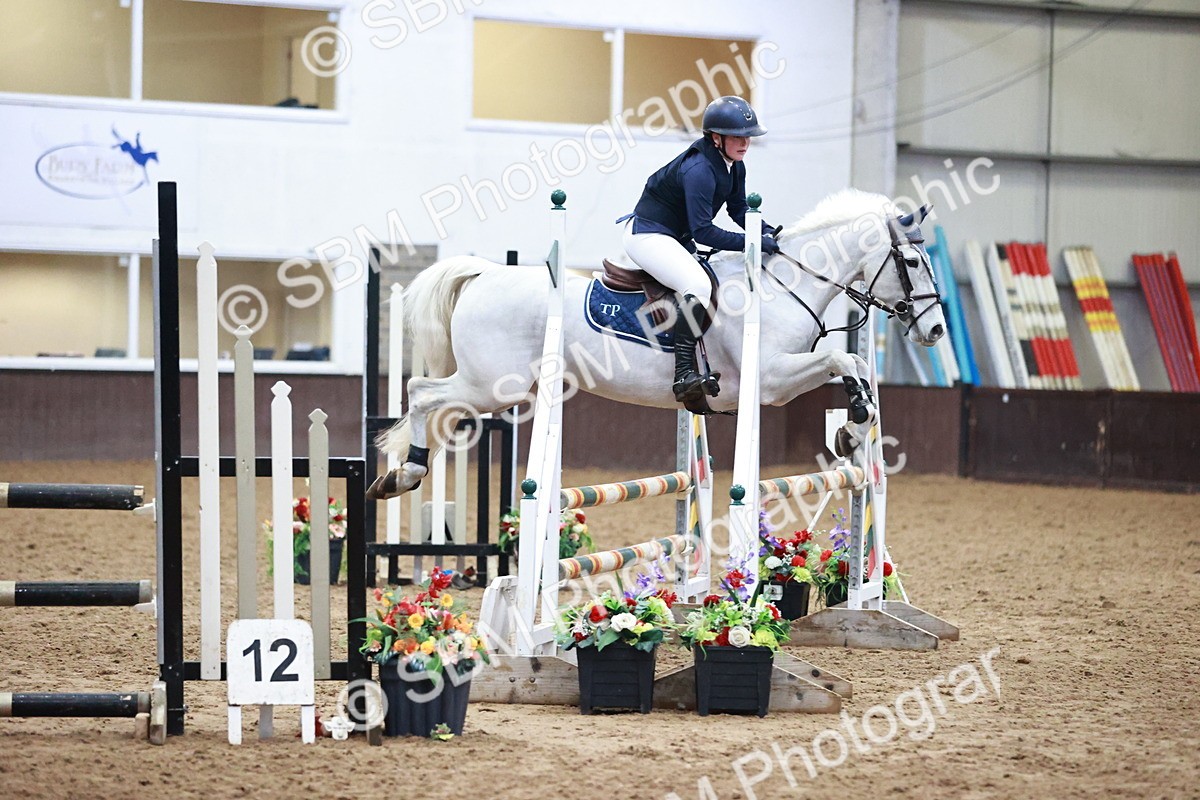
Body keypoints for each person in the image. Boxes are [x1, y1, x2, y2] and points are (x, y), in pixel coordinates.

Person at [618, 95, 780, 405]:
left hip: (674, 236)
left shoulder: (734, 165)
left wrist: (765, 230)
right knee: (698, 285)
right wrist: (752, 244)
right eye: (737, 137)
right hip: (648, 235)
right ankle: (682, 374)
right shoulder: (699, 170)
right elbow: (703, 232)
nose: (745, 143)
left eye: (748, 137)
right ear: (715, 138)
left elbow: (738, 209)